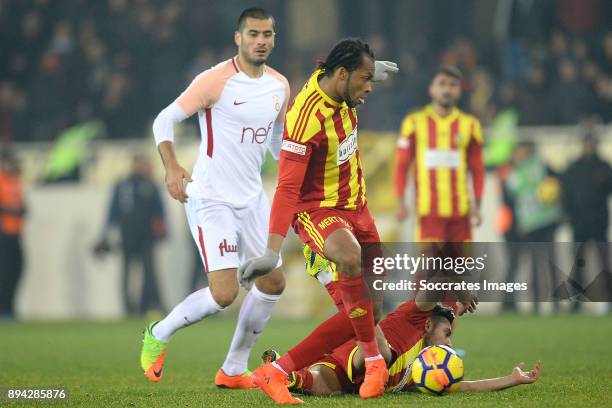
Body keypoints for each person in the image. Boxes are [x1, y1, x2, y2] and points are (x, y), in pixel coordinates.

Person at [238, 39, 399, 403]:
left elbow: (339, 66)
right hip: (319, 213)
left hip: (358, 208)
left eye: (371, 79)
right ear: (342, 75)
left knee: (369, 311)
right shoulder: (305, 117)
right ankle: (369, 362)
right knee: (349, 258)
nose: (369, 89)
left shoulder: (343, 90)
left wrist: (372, 73)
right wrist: (271, 250)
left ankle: (280, 371)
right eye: (365, 80)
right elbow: (287, 188)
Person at [141, 8, 290, 389]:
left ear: (274, 38)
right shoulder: (215, 81)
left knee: (273, 283)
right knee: (224, 294)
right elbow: (164, 119)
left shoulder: (279, 86)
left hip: (252, 198)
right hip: (211, 198)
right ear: (238, 38)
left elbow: (275, 138)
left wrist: (295, 168)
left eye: (267, 34)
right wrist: (172, 166)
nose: (261, 41)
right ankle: (159, 332)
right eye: (253, 34)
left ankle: (233, 369)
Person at [268, 300, 540, 396]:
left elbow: (464, 386)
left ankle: (290, 376)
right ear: (428, 327)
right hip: (363, 349)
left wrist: (512, 379)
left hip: (355, 380)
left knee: (327, 388)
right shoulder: (414, 315)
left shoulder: (424, 370)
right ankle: (335, 281)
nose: (449, 343)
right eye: (447, 335)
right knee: (383, 354)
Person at [394, 66, 484, 243]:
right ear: (432, 89)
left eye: (452, 85)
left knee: (458, 270)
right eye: (442, 84)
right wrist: (400, 202)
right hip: (429, 215)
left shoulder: (470, 125)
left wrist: (478, 205)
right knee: (431, 270)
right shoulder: (413, 122)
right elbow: (401, 166)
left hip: (461, 217)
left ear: (459, 90)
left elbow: (477, 169)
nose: (447, 90)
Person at [94, 155, 166, 315]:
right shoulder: (123, 185)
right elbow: (112, 212)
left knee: (149, 274)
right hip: (127, 237)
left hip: (147, 237)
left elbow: (159, 212)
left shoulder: (149, 185)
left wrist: (161, 231)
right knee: (127, 273)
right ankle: (128, 307)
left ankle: (144, 306)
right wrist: (105, 234)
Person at [562, 133, 612, 310]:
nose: (589, 147)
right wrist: (568, 215)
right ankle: (576, 301)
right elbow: (565, 194)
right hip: (579, 223)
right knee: (578, 264)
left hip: (598, 222)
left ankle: (609, 298)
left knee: (604, 262)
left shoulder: (604, 167)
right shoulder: (574, 168)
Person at [0, 150, 26, 318]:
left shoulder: (16, 182)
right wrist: (13, 211)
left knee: (17, 270)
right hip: (2, 233)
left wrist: (20, 211)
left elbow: (23, 206)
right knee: (4, 272)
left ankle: (9, 307)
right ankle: (4, 309)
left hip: (16, 233)